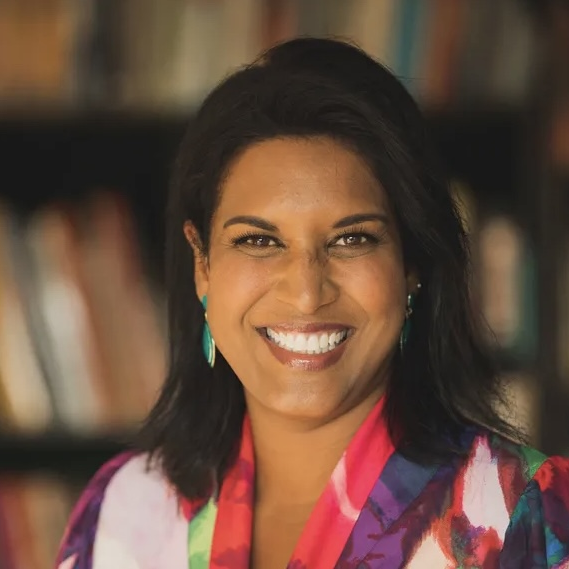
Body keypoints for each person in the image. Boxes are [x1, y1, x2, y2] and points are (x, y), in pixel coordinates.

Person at [55, 37, 569, 569]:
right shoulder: (121, 514)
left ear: (411, 263)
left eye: (352, 239)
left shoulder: (526, 518)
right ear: (202, 266)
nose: (305, 291)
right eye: (259, 241)